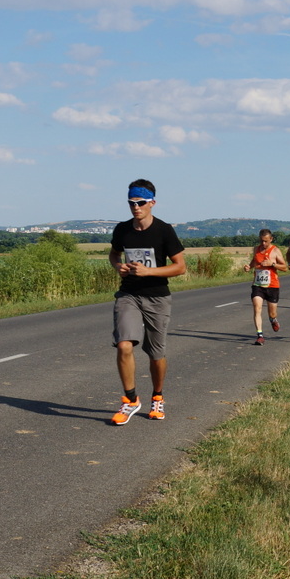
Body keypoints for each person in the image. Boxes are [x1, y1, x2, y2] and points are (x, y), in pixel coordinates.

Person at [108, 179, 186, 426]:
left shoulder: (164, 230)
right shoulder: (122, 229)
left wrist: (148, 272)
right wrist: (118, 266)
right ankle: (131, 400)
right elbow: (113, 253)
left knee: (156, 353)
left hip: (157, 296)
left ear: (152, 202)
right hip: (129, 294)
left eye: (140, 203)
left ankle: (157, 396)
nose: (136, 207)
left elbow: (180, 267)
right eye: (131, 203)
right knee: (123, 345)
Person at [243, 229, 287, 345]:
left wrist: (272, 264)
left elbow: (284, 267)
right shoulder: (256, 249)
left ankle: (273, 320)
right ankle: (260, 335)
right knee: (257, 307)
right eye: (261, 241)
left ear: (271, 239)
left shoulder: (275, 250)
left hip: (272, 285)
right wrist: (249, 267)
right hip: (258, 285)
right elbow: (254, 261)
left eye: (266, 241)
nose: (263, 244)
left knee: (272, 313)